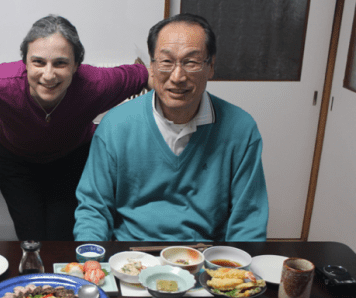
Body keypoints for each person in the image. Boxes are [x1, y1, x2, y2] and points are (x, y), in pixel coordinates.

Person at [0, 15, 148, 241]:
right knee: (31, 238)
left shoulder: (96, 84)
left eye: (60, 63)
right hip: (16, 162)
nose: (48, 75)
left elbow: (146, 74)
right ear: (25, 62)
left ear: (76, 65)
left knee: (62, 237)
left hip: (72, 159)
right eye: (38, 62)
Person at [74, 13, 269, 242]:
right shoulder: (116, 125)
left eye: (191, 62)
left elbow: (248, 220)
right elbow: (93, 210)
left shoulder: (241, 129)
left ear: (211, 66)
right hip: (132, 255)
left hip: (206, 256)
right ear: (152, 66)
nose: (177, 77)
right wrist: (93, 258)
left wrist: (236, 264)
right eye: (166, 62)